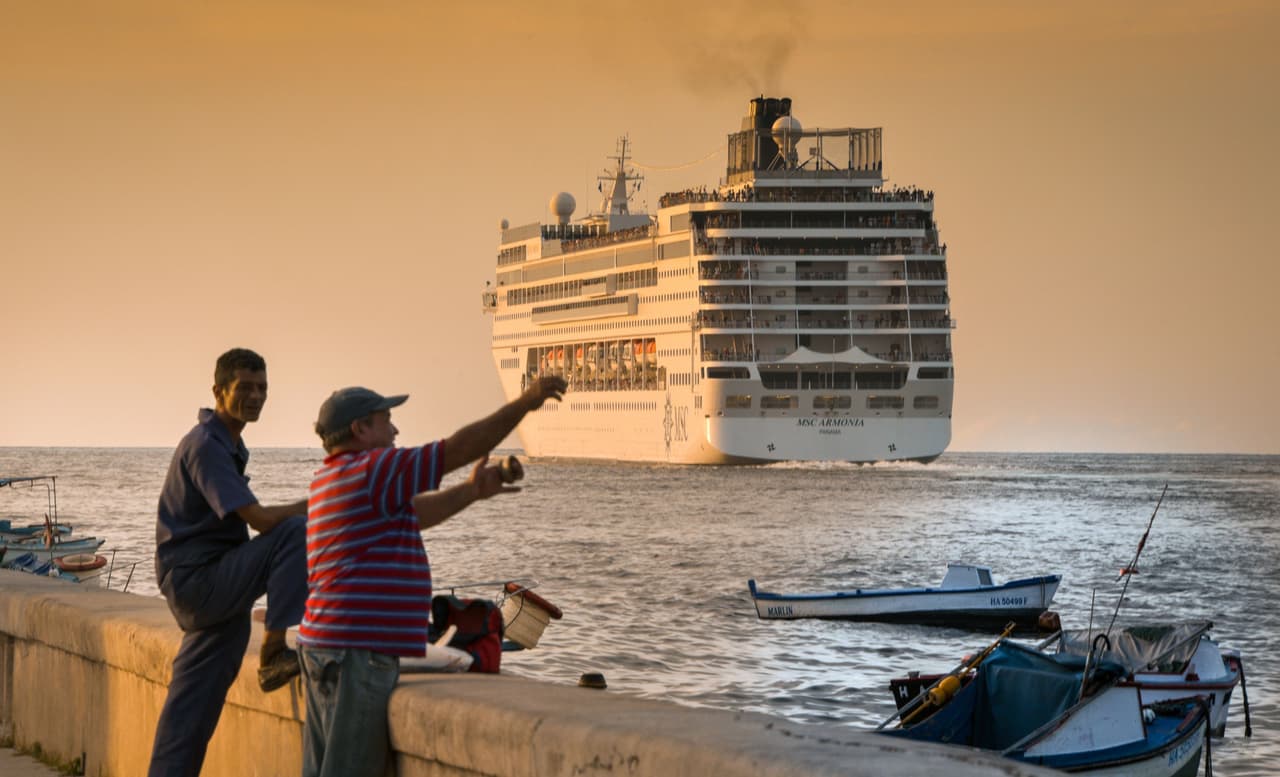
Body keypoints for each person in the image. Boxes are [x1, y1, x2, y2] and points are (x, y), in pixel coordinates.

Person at [298, 375, 566, 777]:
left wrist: (471, 492)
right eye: (386, 420)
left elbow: (414, 516)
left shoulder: (331, 478)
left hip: (325, 645)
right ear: (360, 429)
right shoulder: (374, 468)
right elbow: (457, 449)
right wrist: (525, 403)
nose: (395, 431)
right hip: (356, 652)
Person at [148, 348, 309, 777]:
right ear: (218, 391)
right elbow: (259, 521)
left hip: (208, 584)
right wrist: (322, 504)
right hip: (199, 583)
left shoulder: (228, 444)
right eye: (245, 388)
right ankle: (274, 652)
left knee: (189, 717)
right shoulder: (207, 447)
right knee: (295, 532)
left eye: (263, 388)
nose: (256, 396)